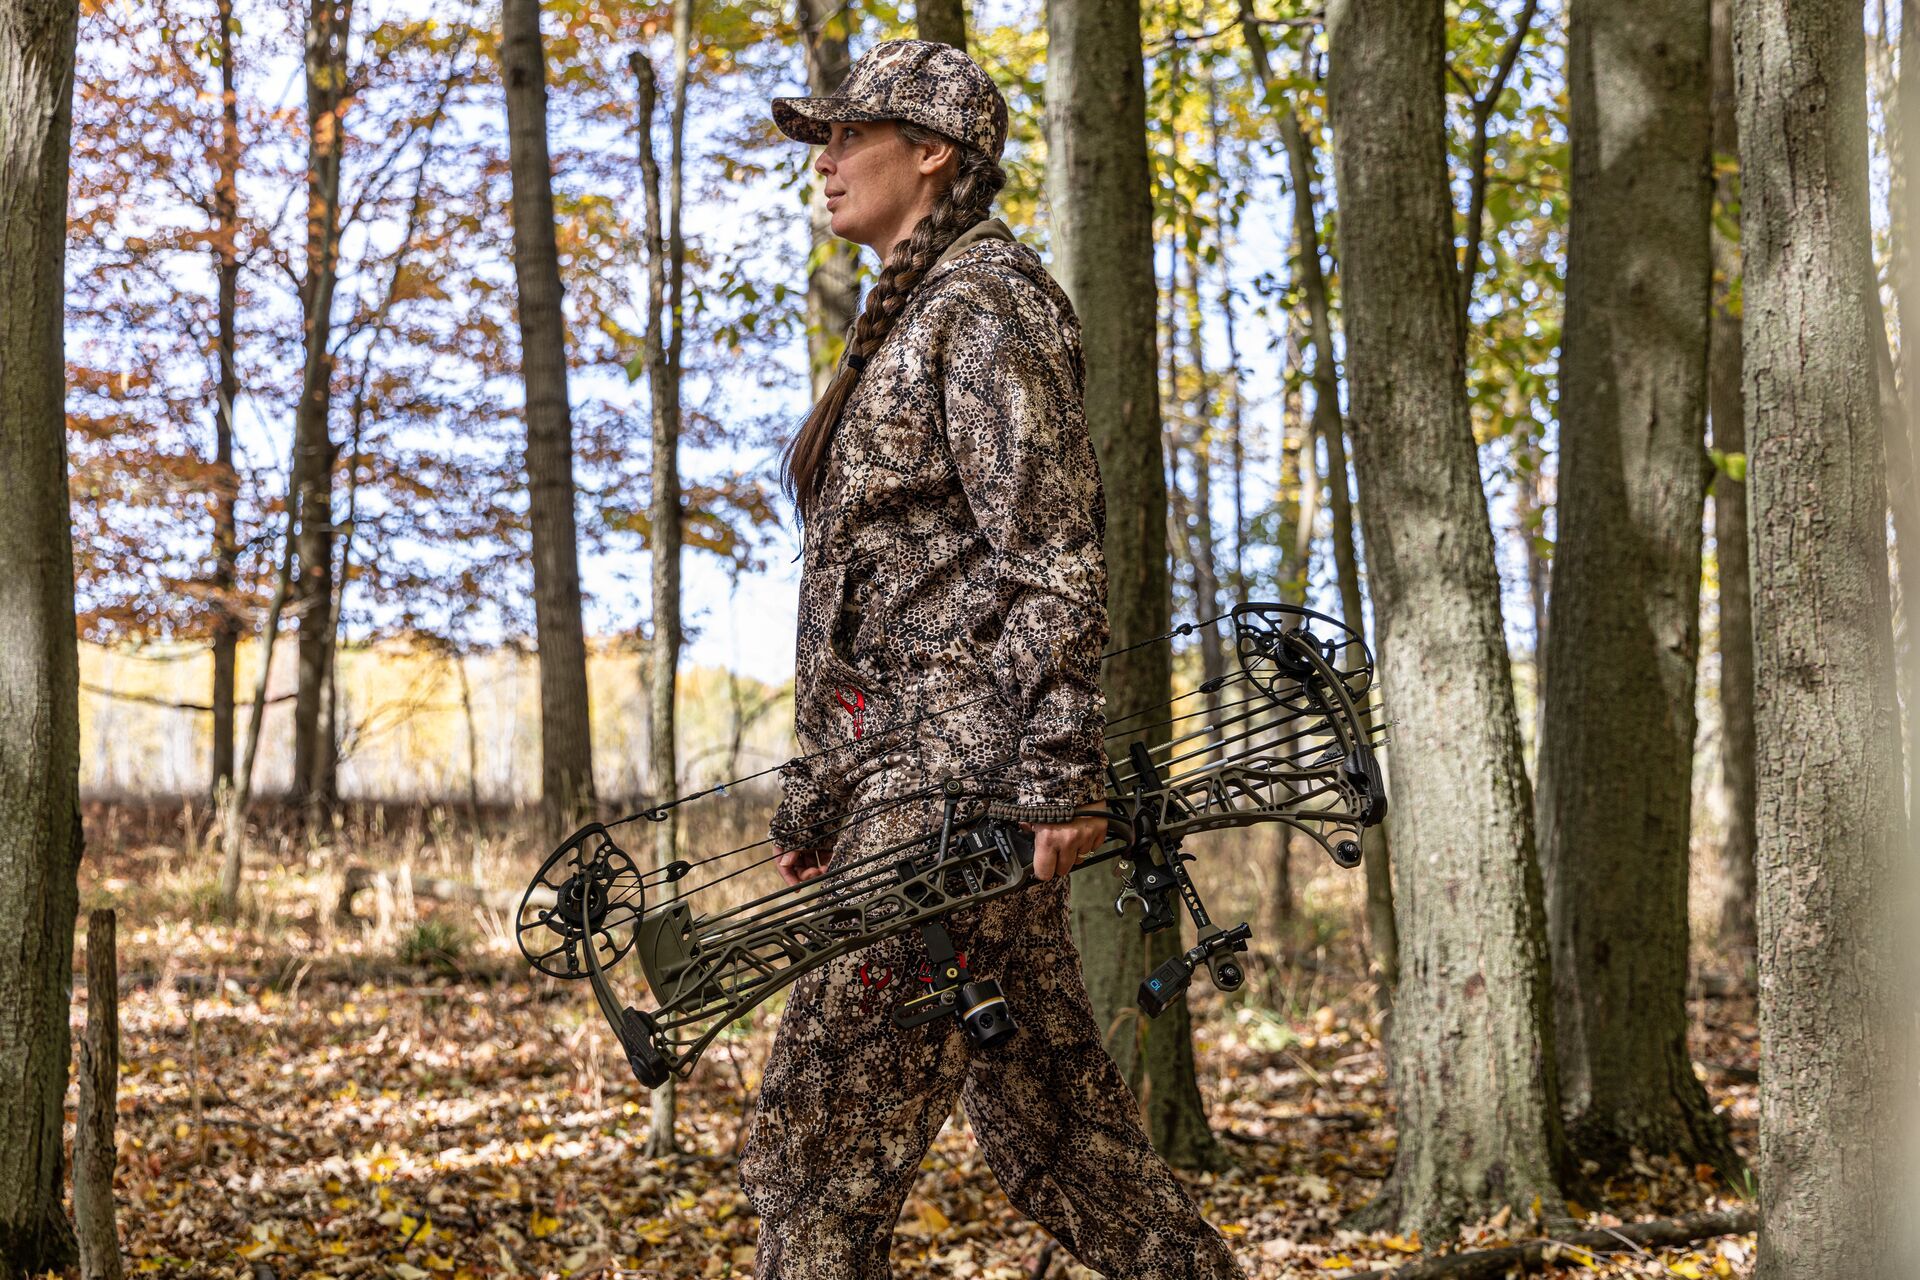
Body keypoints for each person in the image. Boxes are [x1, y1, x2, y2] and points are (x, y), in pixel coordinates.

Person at [739, 38, 1248, 1280]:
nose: (824, 162)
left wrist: (1065, 772)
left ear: (933, 154)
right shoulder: (910, 318)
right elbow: (872, 599)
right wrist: (823, 786)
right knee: (1064, 1140)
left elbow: (1053, 550)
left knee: (810, 1149)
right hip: (916, 791)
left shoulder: (986, 305)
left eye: (848, 136)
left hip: (960, 798)